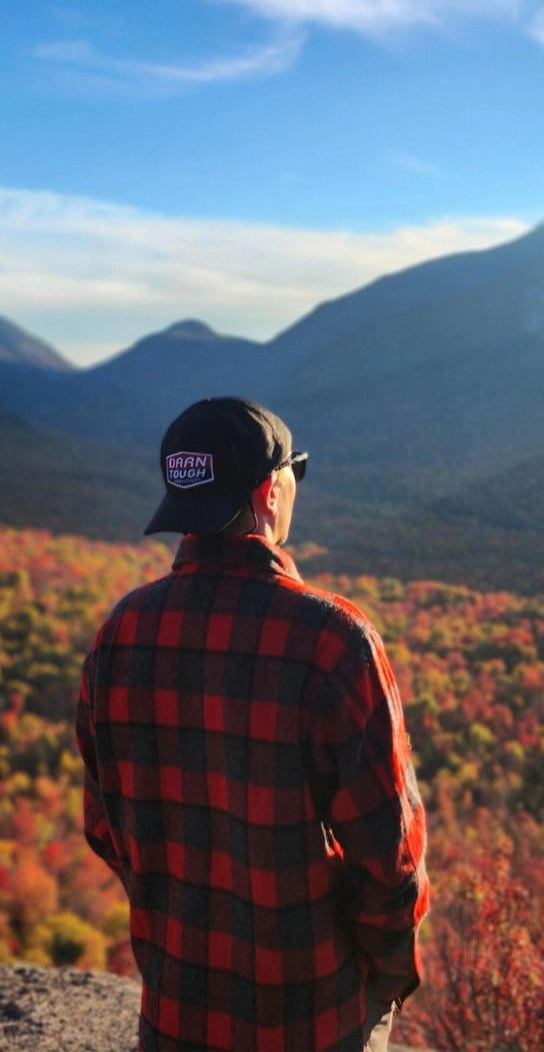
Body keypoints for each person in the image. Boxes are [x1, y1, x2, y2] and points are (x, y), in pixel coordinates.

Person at [77, 396, 430, 1052]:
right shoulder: (334, 642)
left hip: (176, 1013)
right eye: (295, 472)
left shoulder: (121, 635)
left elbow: (104, 825)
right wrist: (386, 975)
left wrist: (179, 916)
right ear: (271, 492)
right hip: (317, 1021)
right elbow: (391, 857)